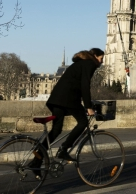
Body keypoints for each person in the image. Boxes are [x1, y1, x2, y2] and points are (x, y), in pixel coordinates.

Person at [28, 48, 104, 177]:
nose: (102, 62)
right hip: (68, 98)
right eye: (101, 59)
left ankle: (36, 161)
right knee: (83, 122)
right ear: (95, 56)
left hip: (56, 98)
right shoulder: (89, 64)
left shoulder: (78, 63)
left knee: (56, 131)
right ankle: (64, 148)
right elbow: (85, 85)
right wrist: (88, 106)